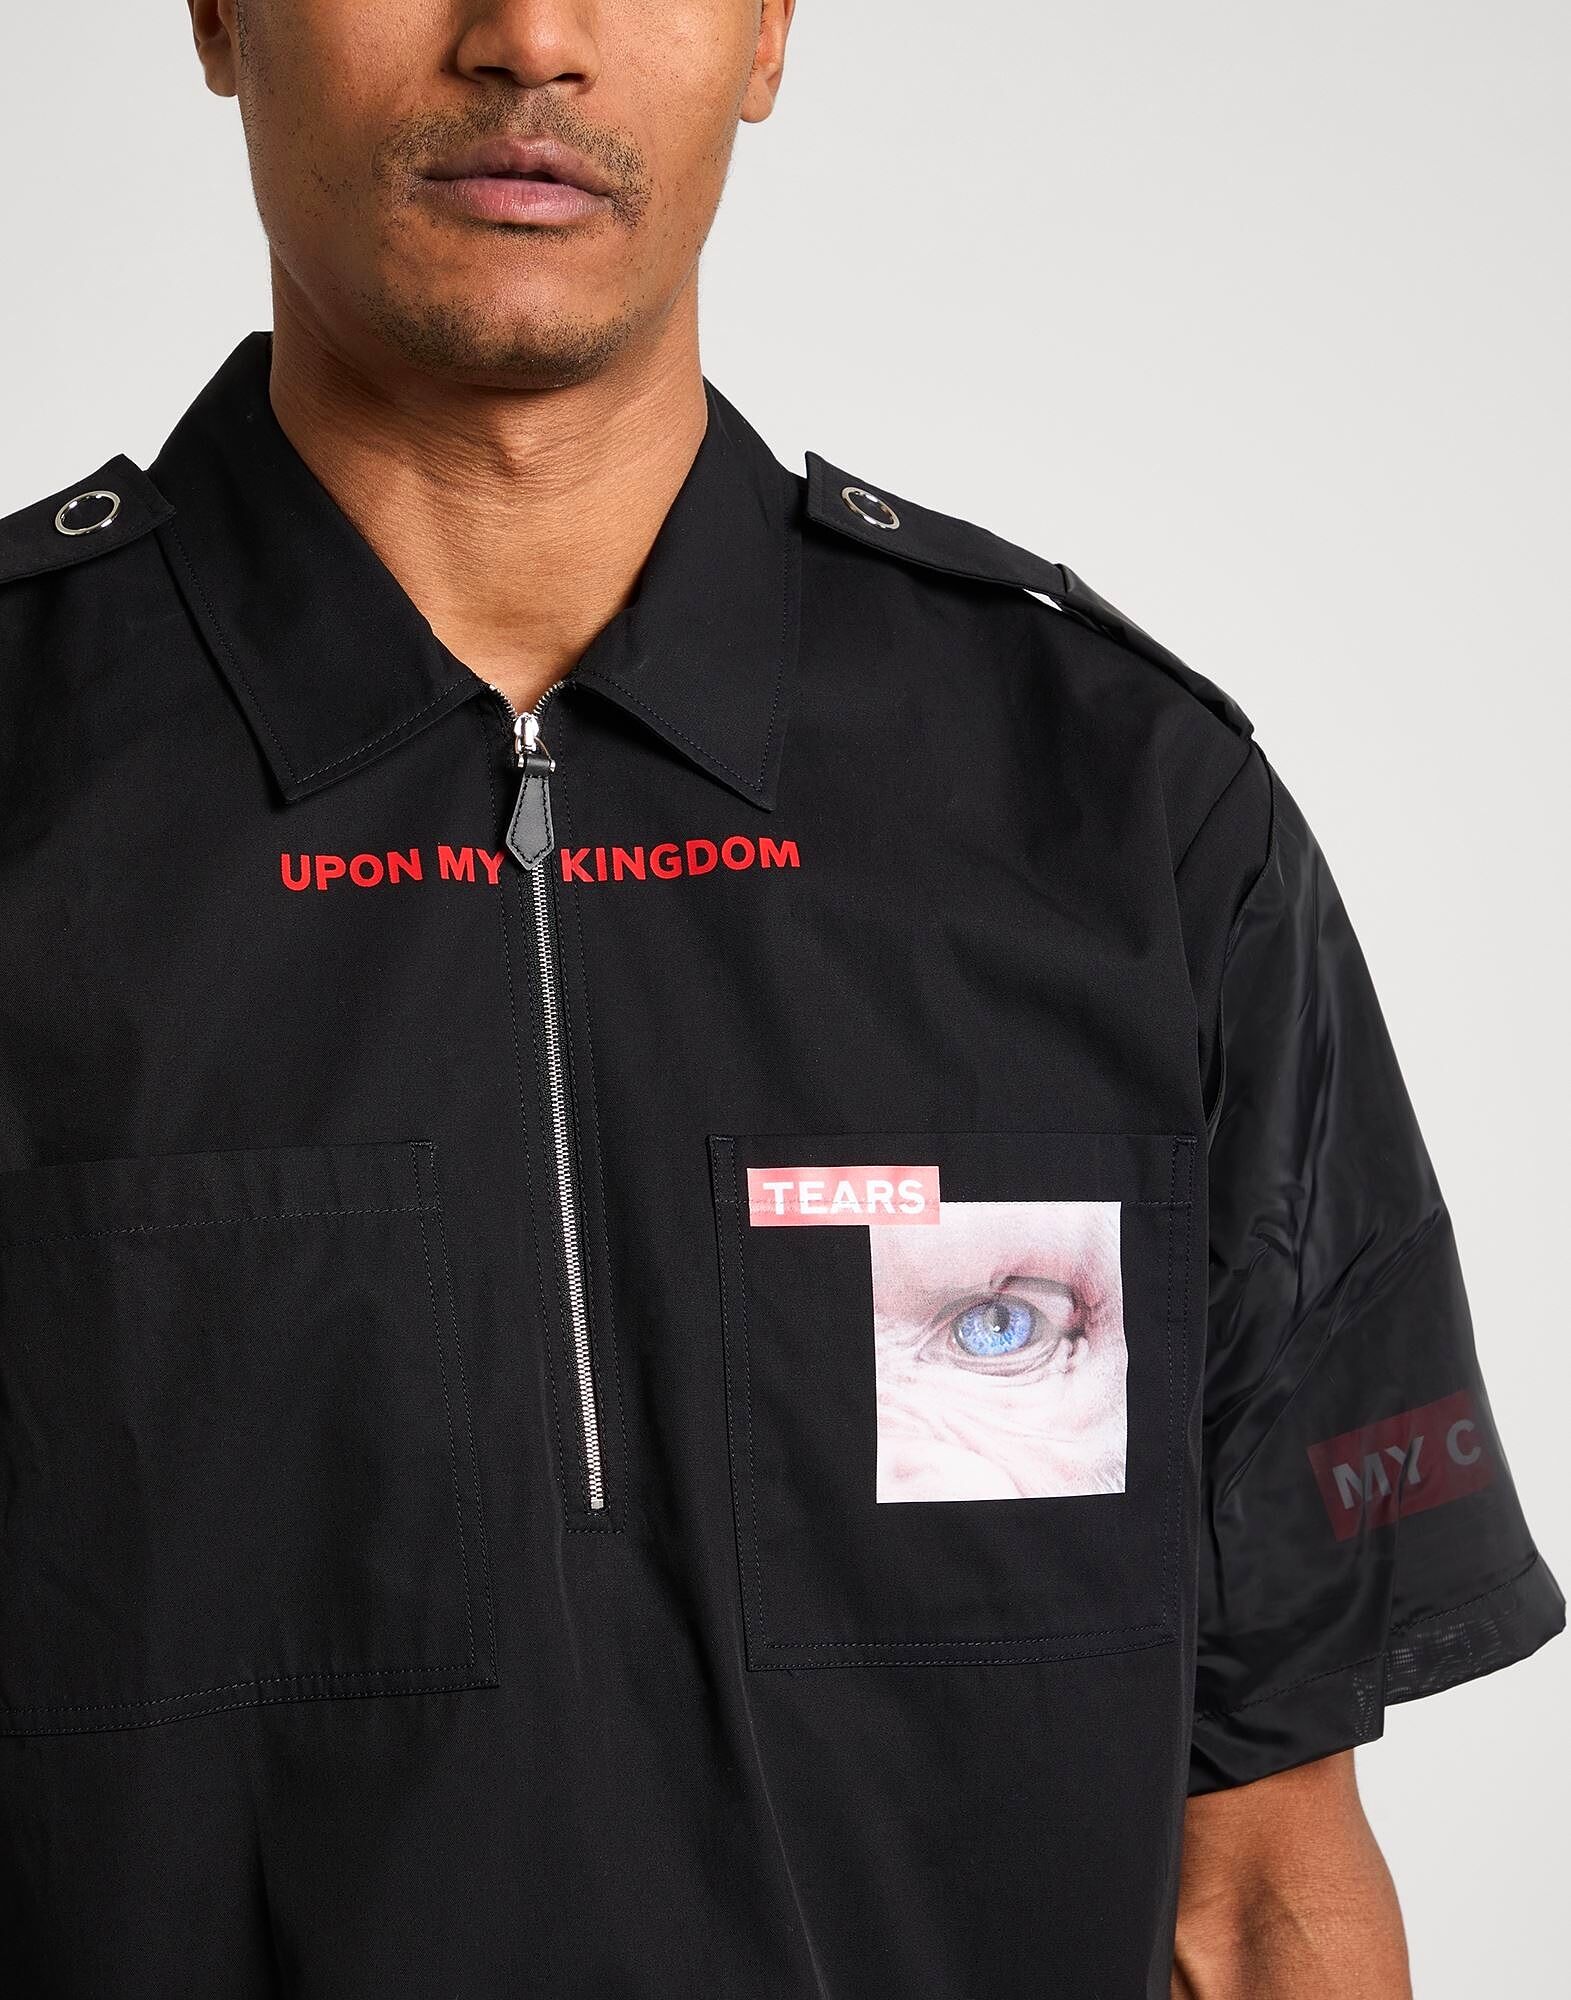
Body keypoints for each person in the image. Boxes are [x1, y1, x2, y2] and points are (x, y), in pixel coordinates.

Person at [0, 4, 1560, 1995]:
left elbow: (1257, 1893)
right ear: (222, 15)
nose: (530, 38)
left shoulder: (1127, 814)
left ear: (766, 29)